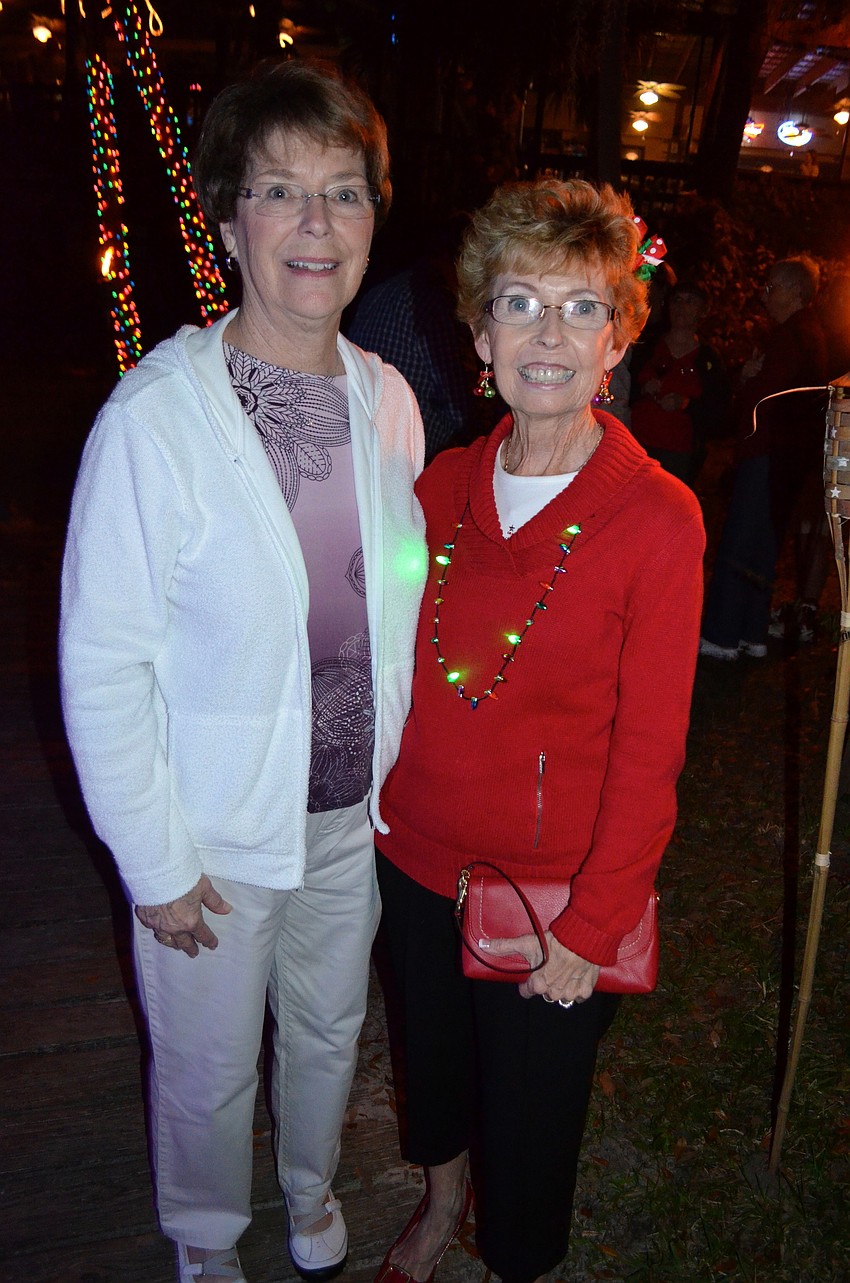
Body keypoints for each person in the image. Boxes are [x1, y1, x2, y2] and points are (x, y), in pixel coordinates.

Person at [59, 60, 427, 1283]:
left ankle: (311, 1190)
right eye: (280, 191)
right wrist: (153, 857)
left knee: (326, 1029)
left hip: (343, 819)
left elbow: (384, 601)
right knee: (209, 1066)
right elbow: (102, 663)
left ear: (374, 216)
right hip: (211, 835)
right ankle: (206, 1239)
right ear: (229, 220)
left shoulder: (387, 402)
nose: (315, 225)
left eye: (344, 193)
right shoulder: (156, 420)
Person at [373, 180, 705, 1283]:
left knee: (531, 1124)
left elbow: (653, 747)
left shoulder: (657, 517)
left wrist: (597, 924)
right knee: (437, 1077)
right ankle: (440, 1197)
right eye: (518, 303)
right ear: (479, 334)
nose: (547, 335)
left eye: (578, 308)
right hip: (415, 861)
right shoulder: (437, 488)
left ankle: (512, 1251)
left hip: (554, 900)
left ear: (618, 338)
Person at [699, 255, 828, 660]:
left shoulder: (790, 337)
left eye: (771, 288)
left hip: (767, 453)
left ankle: (722, 635)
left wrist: (749, 379)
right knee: (763, 543)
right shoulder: (810, 335)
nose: (764, 295)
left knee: (741, 540)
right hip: (787, 458)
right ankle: (751, 631)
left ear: (794, 292)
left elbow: (765, 395)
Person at [630, 281, 729, 485]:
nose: (681, 307)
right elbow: (621, 389)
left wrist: (686, 404)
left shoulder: (708, 359)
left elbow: (719, 412)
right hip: (635, 446)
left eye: (690, 301)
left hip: (678, 455)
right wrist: (642, 389)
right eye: (677, 300)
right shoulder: (647, 346)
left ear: (702, 311)